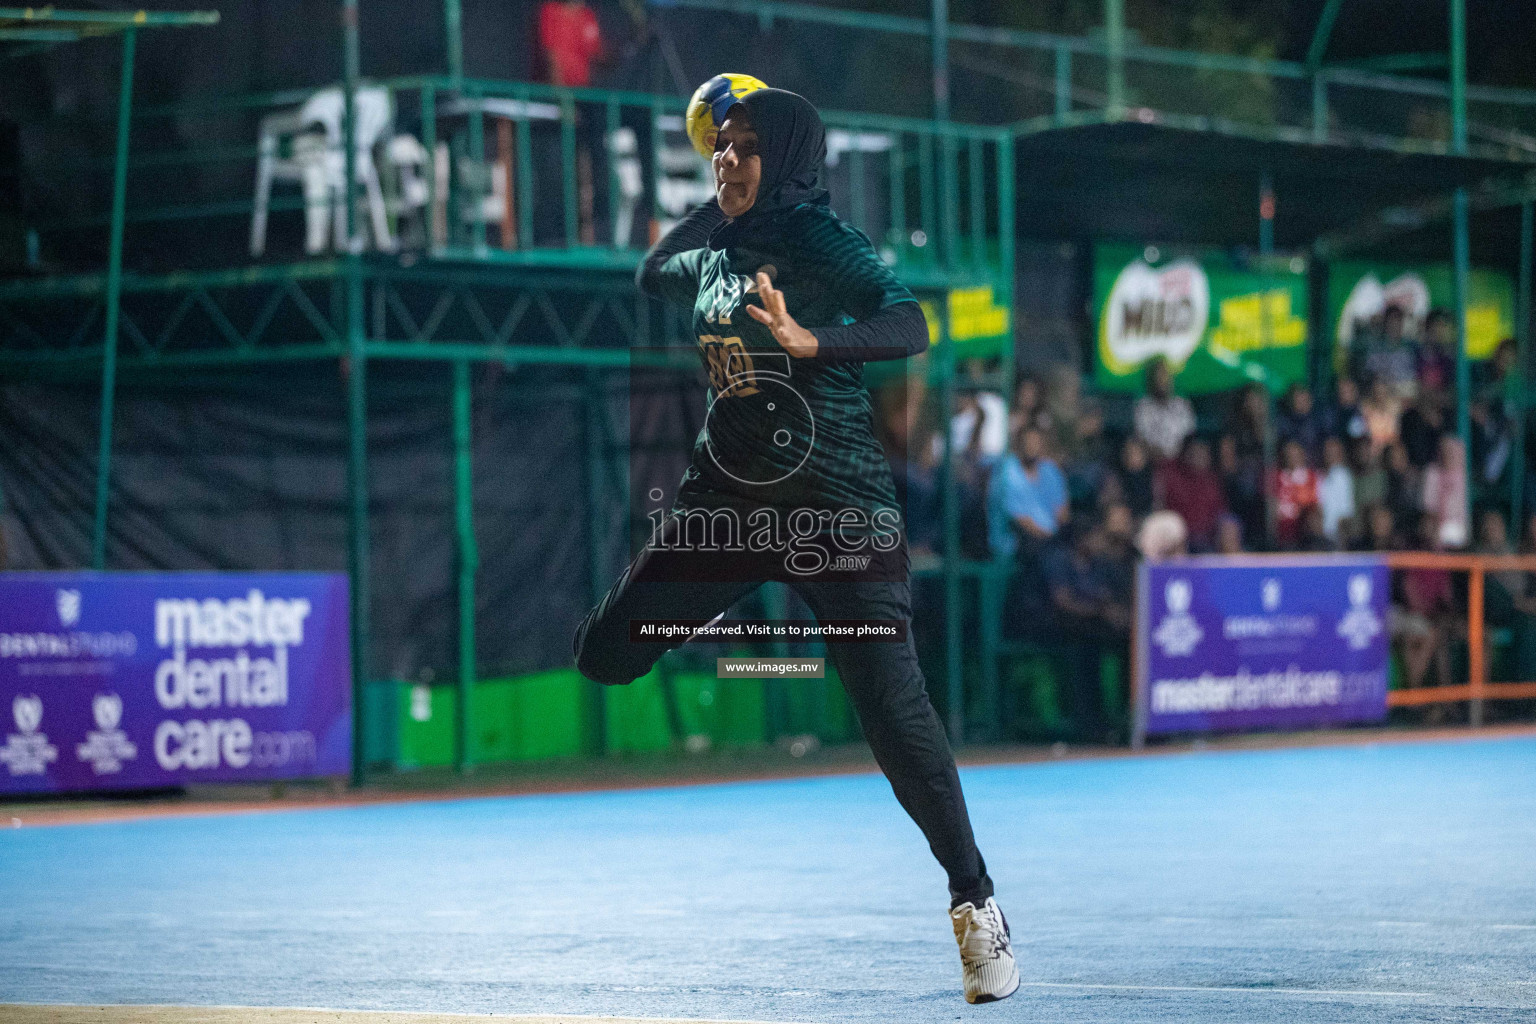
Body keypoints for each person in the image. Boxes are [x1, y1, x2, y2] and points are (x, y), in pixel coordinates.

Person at [572, 89, 1018, 1003]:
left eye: (742, 150)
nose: (723, 162)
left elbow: (909, 322)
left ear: (790, 158)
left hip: (838, 518)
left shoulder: (821, 241)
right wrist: (726, 193)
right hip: (728, 512)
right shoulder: (714, 249)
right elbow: (651, 270)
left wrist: (815, 341)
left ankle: (976, 904)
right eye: (717, 149)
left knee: (895, 719)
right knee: (603, 655)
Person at [988, 425, 1068, 561]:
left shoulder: (1051, 471)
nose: (1032, 447)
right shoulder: (1006, 472)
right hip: (1019, 544)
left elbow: (1062, 513)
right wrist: (1049, 539)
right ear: (1019, 445)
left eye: (1036, 442)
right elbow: (1020, 521)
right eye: (1028, 443)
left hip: (1052, 543)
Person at [1157, 435, 1225, 552]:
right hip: (1179, 539)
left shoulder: (1212, 481)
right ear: (1187, 454)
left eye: (1203, 454)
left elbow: (1221, 511)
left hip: (1208, 539)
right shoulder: (1173, 477)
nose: (1200, 457)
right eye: (1195, 453)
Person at [1133, 357, 1195, 461]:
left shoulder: (1182, 405)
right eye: (1158, 376)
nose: (1162, 381)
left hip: (1179, 462)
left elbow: (1189, 435)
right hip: (1151, 461)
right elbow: (1140, 438)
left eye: (1165, 376)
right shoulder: (1143, 406)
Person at [1422, 435, 1469, 549]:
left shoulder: (1462, 476)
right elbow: (1429, 506)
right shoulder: (1432, 473)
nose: (1450, 456)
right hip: (1437, 527)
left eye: (1453, 452)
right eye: (1446, 452)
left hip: (1458, 529)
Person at [1272, 439, 1318, 548]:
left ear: (1302, 455)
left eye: (1295, 454)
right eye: (1289, 455)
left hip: (1303, 533)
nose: (1292, 458)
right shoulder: (1277, 477)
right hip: (1281, 534)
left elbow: (1312, 505)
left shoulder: (1310, 477)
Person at [1316, 436, 1356, 542]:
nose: (1329, 455)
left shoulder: (1344, 476)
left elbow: (1346, 511)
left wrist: (1341, 538)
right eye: (1327, 451)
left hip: (1336, 536)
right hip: (1317, 534)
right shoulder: (1317, 475)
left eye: (1333, 451)